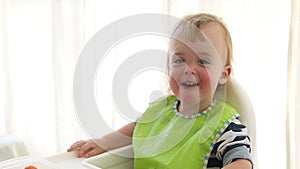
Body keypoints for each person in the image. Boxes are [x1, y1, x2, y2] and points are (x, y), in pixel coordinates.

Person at [67, 13, 253, 169]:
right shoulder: (159, 110)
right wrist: (104, 142)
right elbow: (137, 128)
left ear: (223, 74)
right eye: (179, 60)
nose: (188, 69)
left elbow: (243, 163)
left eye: (202, 61)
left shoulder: (226, 127)